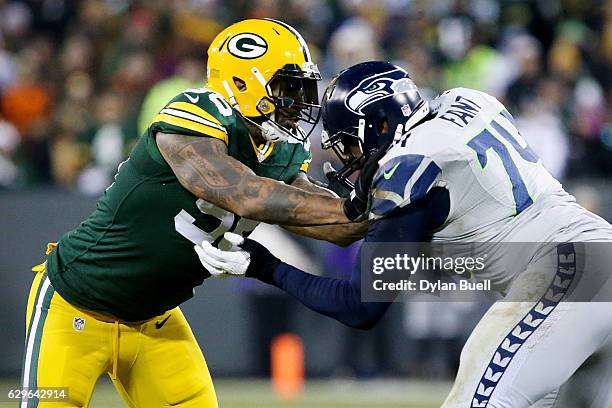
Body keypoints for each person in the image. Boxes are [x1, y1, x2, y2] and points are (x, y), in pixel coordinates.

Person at [197, 61, 612, 408]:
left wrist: (266, 267)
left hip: (567, 276)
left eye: (350, 146)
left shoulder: (409, 167)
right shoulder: (467, 101)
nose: (351, 161)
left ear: (378, 124)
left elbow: (360, 308)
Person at [20, 19, 372, 408]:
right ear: (242, 83)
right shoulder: (197, 111)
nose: (297, 103)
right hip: (74, 306)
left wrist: (390, 203)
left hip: (156, 321)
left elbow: (338, 224)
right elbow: (244, 193)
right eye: (288, 88)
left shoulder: (282, 152)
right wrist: (351, 206)